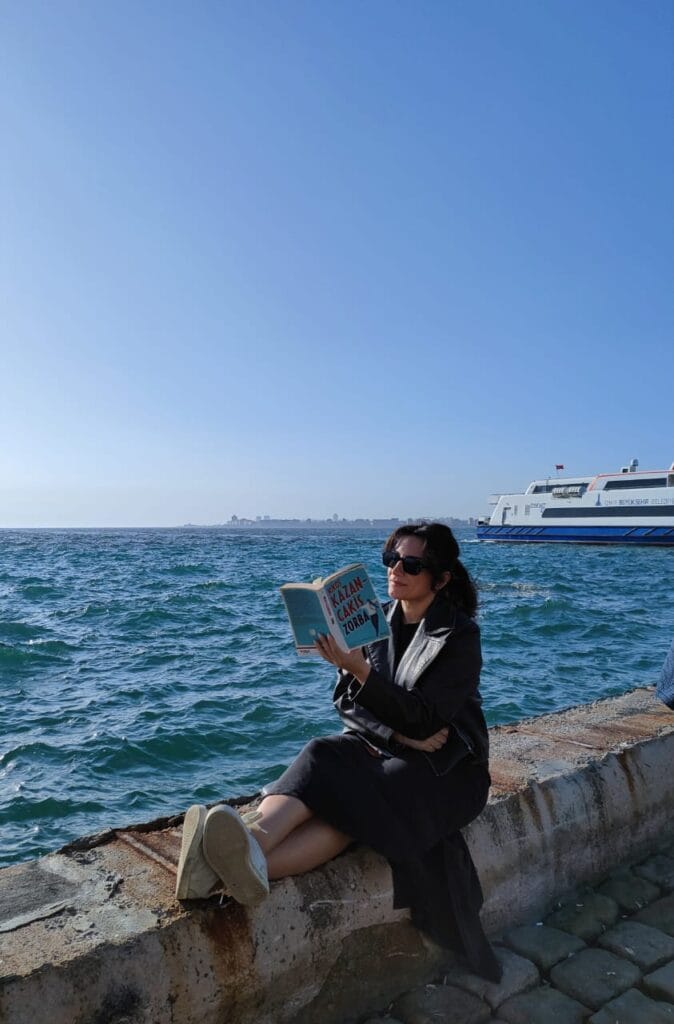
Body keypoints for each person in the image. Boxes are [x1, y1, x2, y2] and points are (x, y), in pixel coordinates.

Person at [175, 522, 501, 981]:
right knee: (320, 753)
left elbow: (427, 720)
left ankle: (220, 868)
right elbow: (347, 703)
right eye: (391, 559)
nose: (396, 570)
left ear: (441, 578)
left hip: (450, 773)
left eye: (411, 565)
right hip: (394, 747)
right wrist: (395, 734)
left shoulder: (458, 636)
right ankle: (249, 849)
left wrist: (361, 673)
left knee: (355, 799)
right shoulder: (375, 620)